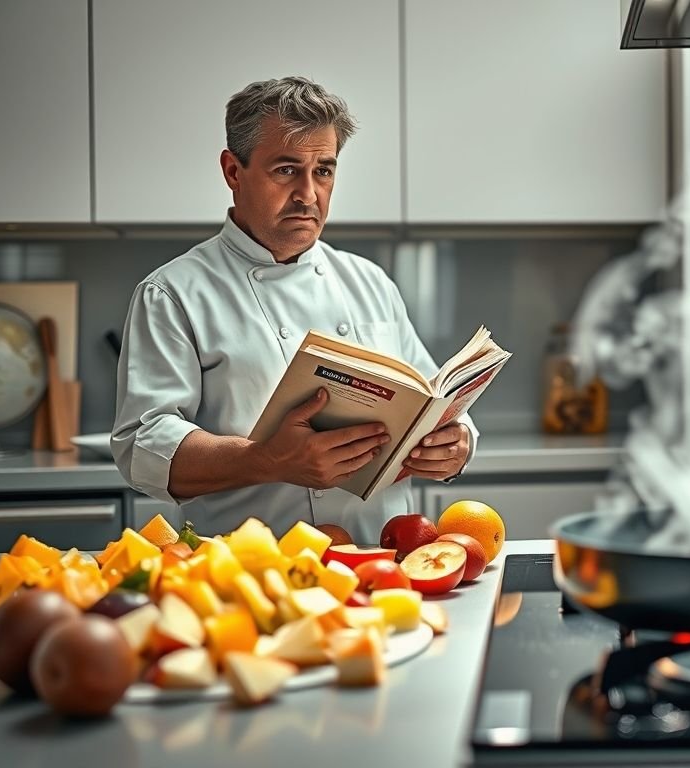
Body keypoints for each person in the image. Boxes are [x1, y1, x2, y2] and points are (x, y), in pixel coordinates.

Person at [111, 76, 475, 544]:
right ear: (232, 171)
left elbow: (432, 399)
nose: (309, 194)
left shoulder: (370, 282)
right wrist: (267, 459)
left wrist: (456, 443)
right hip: (249, 579)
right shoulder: (172, 293)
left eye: (323, 170)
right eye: (286, 170)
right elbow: (142, 446)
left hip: (378, 566)